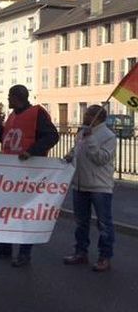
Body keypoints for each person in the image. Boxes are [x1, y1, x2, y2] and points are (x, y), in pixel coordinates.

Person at [0, 84, 59, 267]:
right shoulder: (13, 116)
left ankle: (25, 253)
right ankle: (5, 247)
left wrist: (32, 151)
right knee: (6, 211)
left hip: (29, 173)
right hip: (11, 172)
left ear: (17, 97)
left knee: (26, 213)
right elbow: (8, 140)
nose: (8, 100)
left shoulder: (37, 113)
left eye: (10, 97)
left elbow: (52, 136)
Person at [63, 105, 116, 272]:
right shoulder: (82, 133)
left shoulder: (109, 136)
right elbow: (77, 152)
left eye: (87, 114)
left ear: (96, 117)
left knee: (104, 224)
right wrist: (70, 155)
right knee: (81, 223)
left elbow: (101, 159)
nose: (84, 117)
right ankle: (80, 252)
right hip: (80, 185)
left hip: (99, 187)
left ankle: (104, 257)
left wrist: (91, 139)